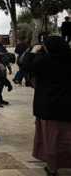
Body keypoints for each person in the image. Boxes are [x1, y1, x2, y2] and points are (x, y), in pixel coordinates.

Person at [22, 36, 71, 176]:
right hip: (68, 107)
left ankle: (52, 169)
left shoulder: (45, 61)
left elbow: (25, 65)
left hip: (49, 108)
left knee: (52, 141)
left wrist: (33, 51)